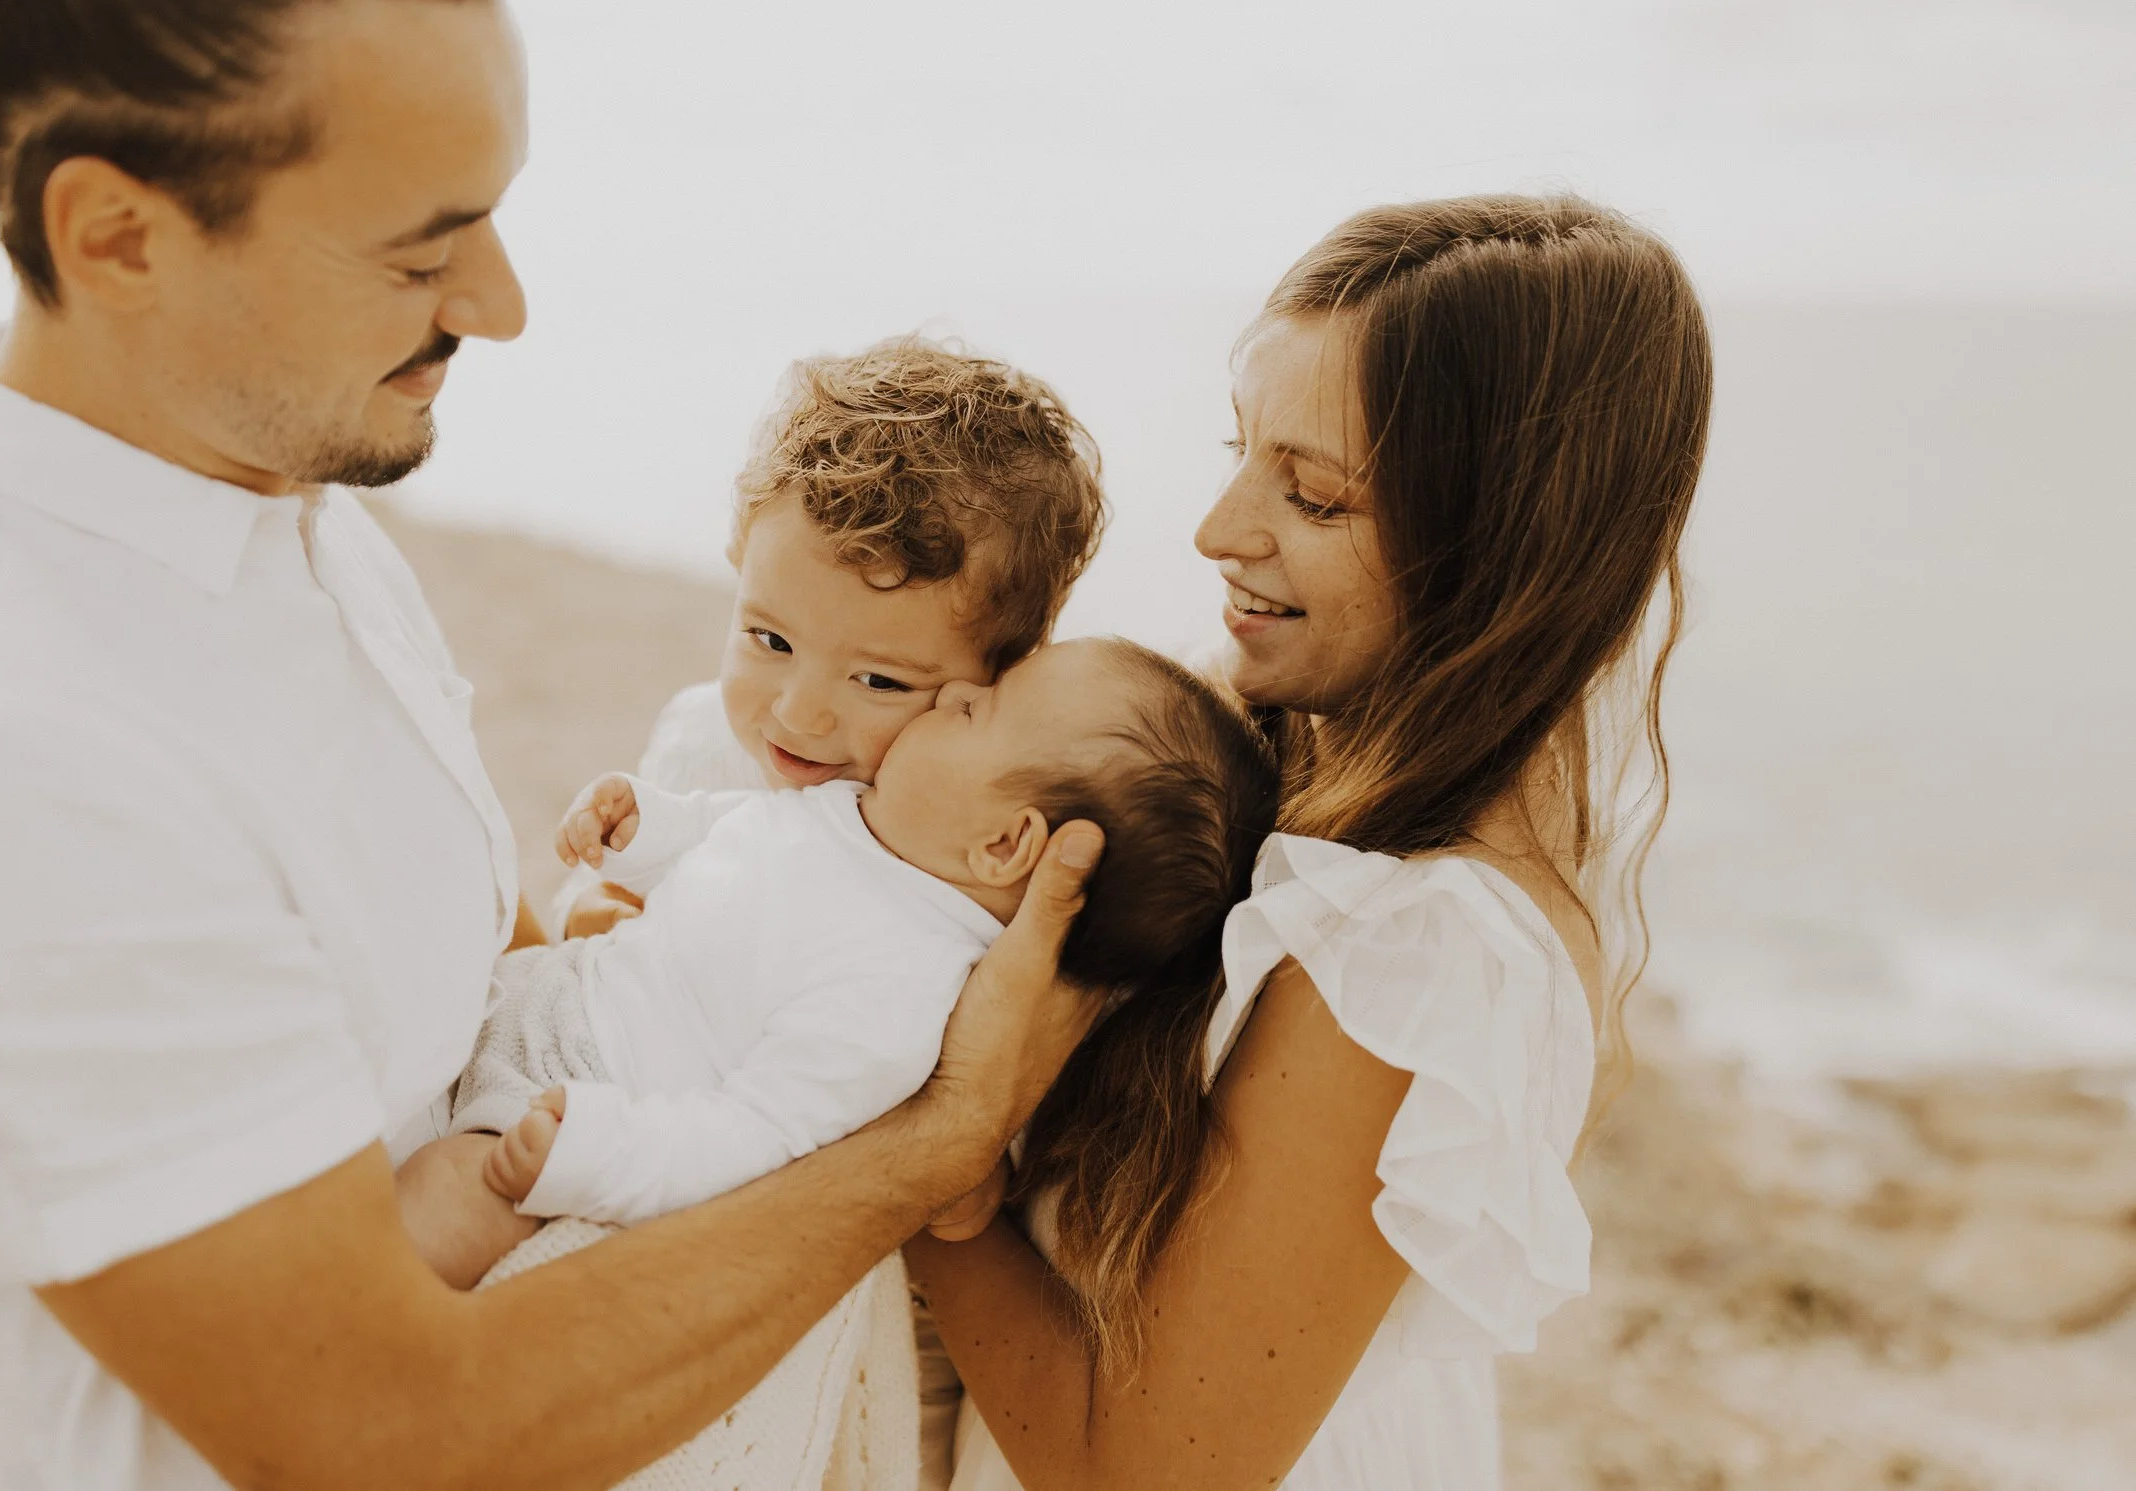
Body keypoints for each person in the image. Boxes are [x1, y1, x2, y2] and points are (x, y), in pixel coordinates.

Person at [0, 0, 1101, 1488]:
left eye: (491, 216)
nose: (499, 302)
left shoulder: (278, 501)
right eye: (422, 251)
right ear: (119, 236)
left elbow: (443, 981)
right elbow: (386, 1428)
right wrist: (933, 1136)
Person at [905, 194, 1715, 1491]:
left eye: (1316, 495)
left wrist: (934, 1170)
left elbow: (1144, 1473)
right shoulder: (1263, 742)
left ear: (1506, 554)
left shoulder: (1417, 943)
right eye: (1243, 450)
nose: (1219, 529)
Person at [447, 637, 1276, 1254]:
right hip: (534, 996)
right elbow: (728, 841)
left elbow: (756, 1137)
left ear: (1004, 844)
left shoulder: (901, 993)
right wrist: (643, 827)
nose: (955, 690)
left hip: (579, 1100)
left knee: (435, 1203)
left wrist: (598, 1151)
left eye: (978, 709)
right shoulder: (856, 818)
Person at [553, 336, 1106, 942]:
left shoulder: (981, 834)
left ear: (1003, 677)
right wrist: (591, 912)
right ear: (740, 560)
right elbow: (600, 890)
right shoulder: (700, 741)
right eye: (771, 640)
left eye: (879, 681)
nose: (798, 715)